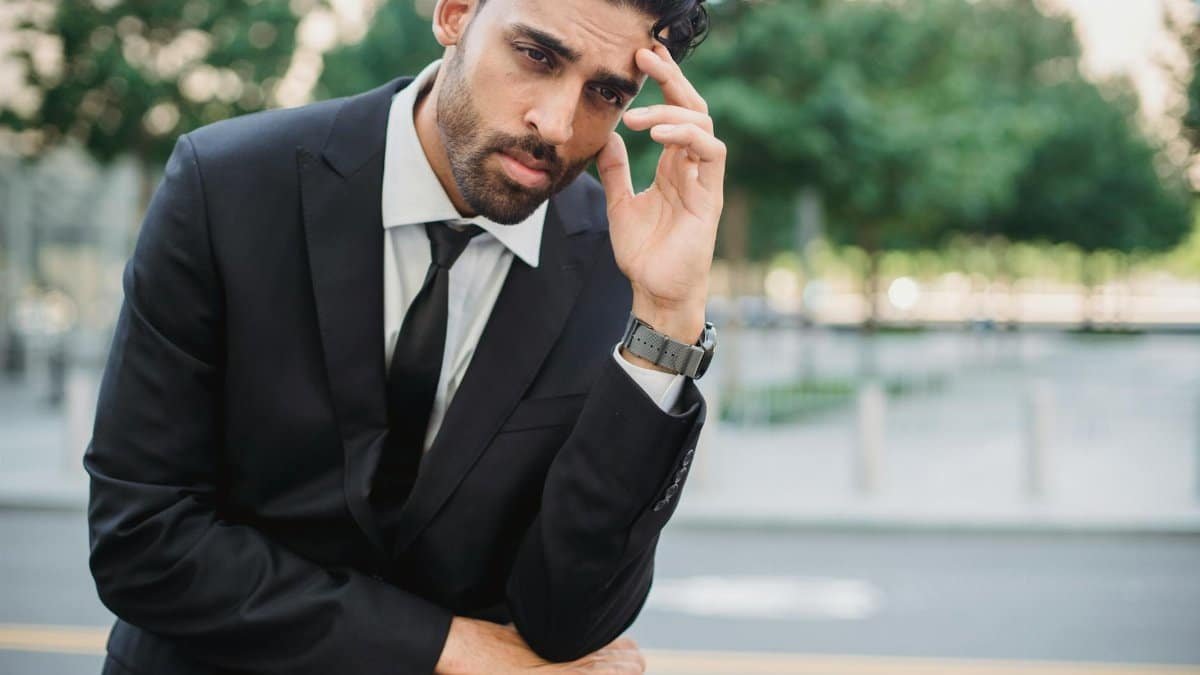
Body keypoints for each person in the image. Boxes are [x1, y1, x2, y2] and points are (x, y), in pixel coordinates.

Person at [83, 0, 724, 672]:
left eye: (606, 92)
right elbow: (142, 541)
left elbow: (570, 621)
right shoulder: (227, 184)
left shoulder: (619, 260)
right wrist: (447, 645)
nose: (557, 126)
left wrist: (664, 318)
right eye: (537, 55)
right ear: (453, 14)